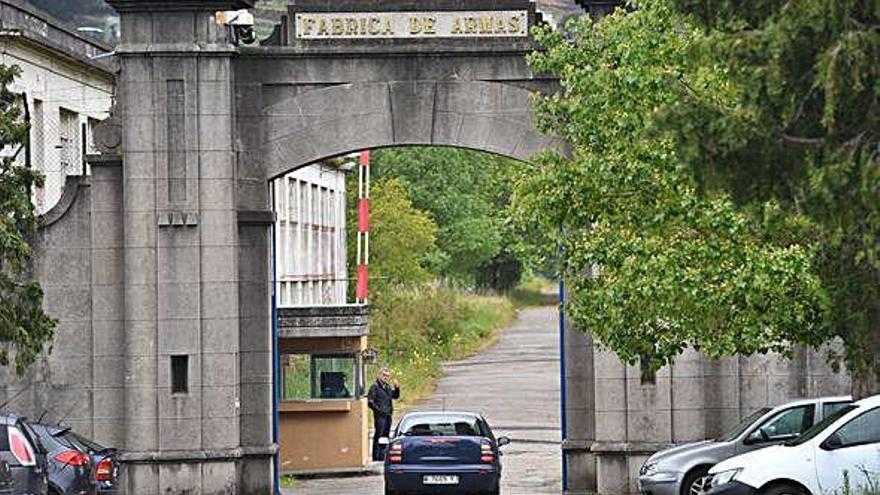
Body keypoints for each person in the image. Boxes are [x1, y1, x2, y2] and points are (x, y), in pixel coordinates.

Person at [367, 367, 400, 461]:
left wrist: (397, 388)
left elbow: (395, 396)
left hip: (388, 415)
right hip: (380, 416)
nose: (386, 377)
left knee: (385, 436)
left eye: (387, 376)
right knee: (379, 435)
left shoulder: (387, 387)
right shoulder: (375, 387)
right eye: (384, 375)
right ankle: (376, 456)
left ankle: (383, 455)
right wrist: (379, 411)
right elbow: (370, 402)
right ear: (379, 375)